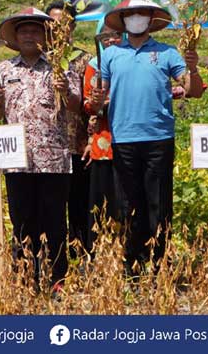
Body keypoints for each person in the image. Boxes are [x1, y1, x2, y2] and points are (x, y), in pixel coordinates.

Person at [89, 0, 203, 274]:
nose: (136, 19)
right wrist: (95, 102)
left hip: (158, 138)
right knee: (128, 203)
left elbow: (193, 90)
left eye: (141, 14)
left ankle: (160, 262)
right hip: (124, 138)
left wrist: (192, 68)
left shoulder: (167, 53)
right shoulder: (111, 55)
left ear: (151, 20)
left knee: (158, 202)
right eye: (131, 14)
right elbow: (99, 99)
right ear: (124, 21)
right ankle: (132, 262)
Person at [0, 7, 81, 296]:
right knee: (22, 222)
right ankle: (24, 279)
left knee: (54, 223)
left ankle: (57, 280)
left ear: (45, 37)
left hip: (53, 158)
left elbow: (76, 106)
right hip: (17, 160)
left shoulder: (61, 67)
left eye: (35, 30)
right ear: (15, 37)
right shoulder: (3, 69)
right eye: (23, 30)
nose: (29, 35)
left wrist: (66, 91)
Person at [45, 0, 92, 258]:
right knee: (49, 208)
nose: (59, 31)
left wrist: (92, 138)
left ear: (72, 28)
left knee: (79, 206)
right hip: (46, 149)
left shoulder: (85, 61)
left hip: (77, 144)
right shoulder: (39, 58)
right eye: (53, 25)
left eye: (64, 25)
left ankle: (81, 257)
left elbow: (94, 104)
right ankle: (53, 256)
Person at [82, 20, 123, 254]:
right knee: (102, 204)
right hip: (104, 142)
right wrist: (99, 104)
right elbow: (89, 105)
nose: (111, 39)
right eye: (105, 35)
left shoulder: (131, 61)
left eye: (116, 34)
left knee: (126, 203)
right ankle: (99, 255)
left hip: (132, 143)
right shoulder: (94, 66)